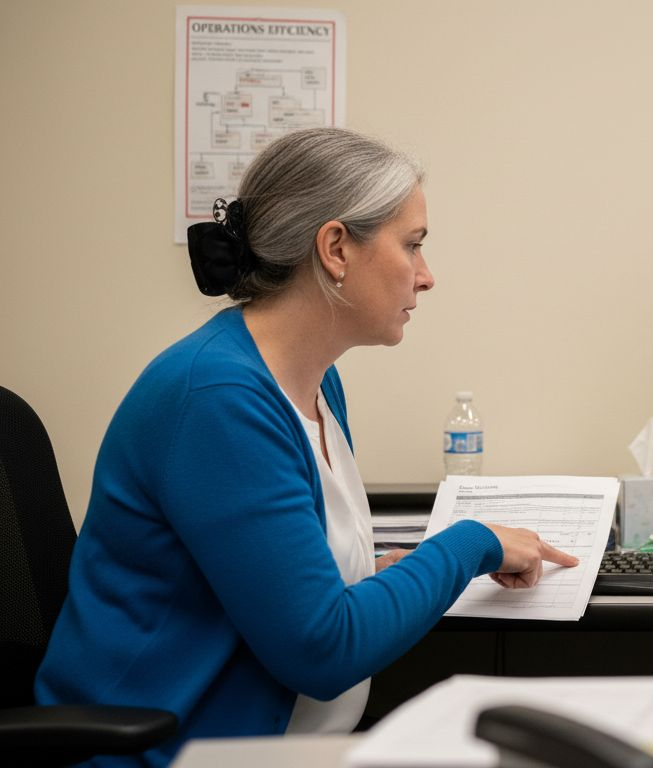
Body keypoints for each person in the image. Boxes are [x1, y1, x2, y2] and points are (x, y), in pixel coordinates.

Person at [34, 127, 578, 765]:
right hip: (173, 754)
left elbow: (294, 587)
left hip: (281, 745)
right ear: (336, 248)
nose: (427, 277)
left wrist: (395, 569)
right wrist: (470, 543)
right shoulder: (218, 398)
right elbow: (322, 651)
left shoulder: (314, 383)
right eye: (413, 246)